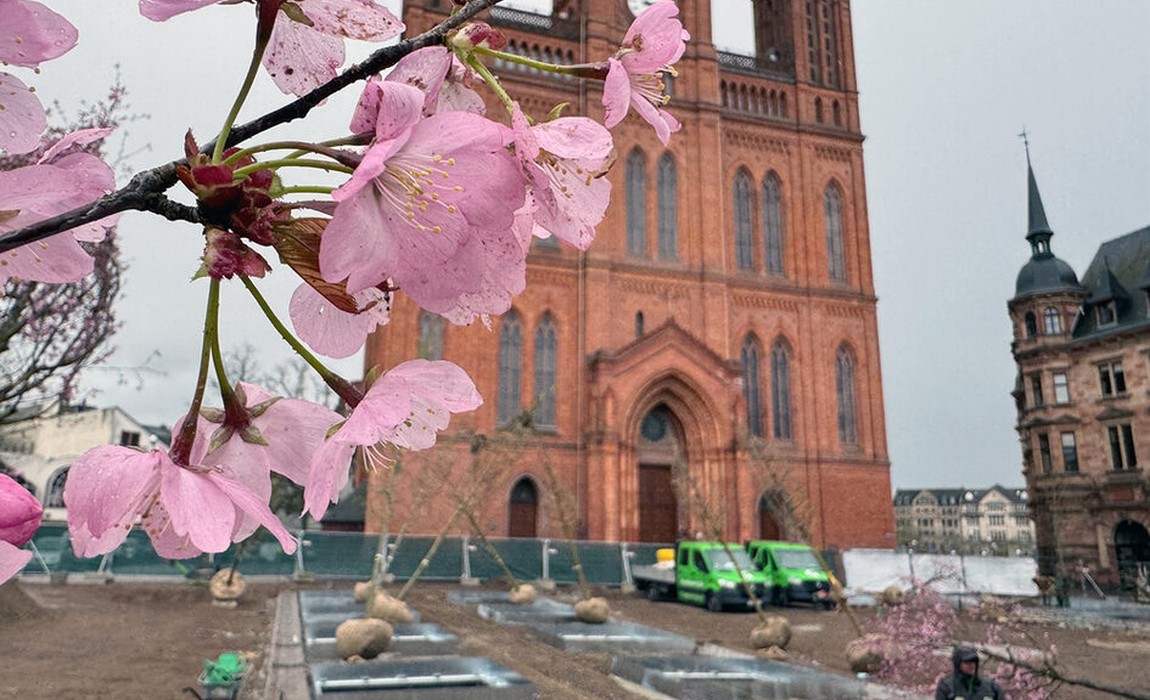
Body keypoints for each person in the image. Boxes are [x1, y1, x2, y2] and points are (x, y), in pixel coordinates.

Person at [935, 646, 1004, 700]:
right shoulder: (947, 686)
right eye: (967, 662)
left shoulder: (991, 687)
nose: (972, 665)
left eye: (974, 662)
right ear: (958, 664)